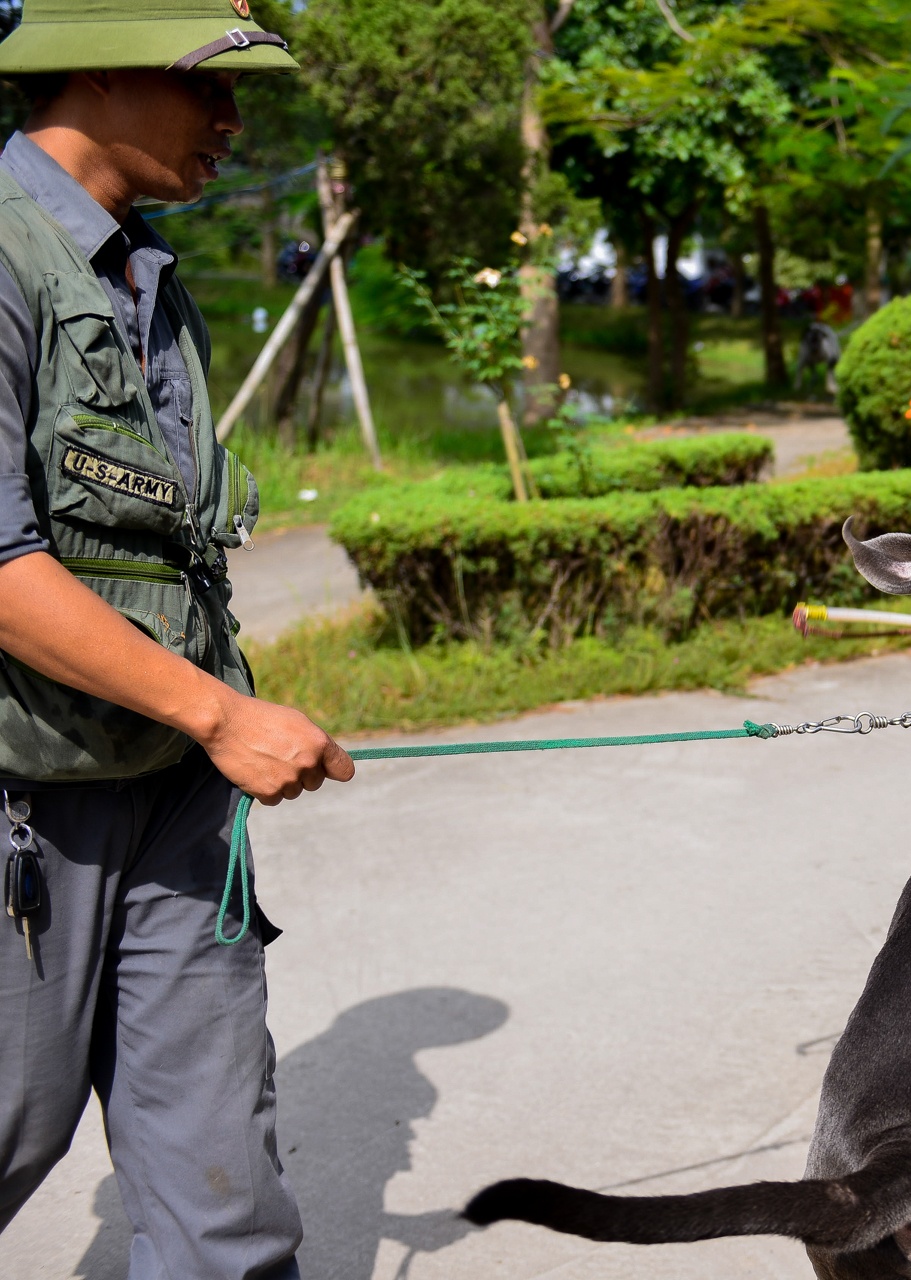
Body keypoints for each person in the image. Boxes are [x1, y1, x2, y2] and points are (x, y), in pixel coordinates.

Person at [0, 5, 353, 1275]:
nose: (231, 121)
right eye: (207, 84)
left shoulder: (142, 272)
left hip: (176, 803)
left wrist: (209, 720)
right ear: (94, 64)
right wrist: (221, 712)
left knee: (224, 1191)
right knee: (11, 1126)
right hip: (24, 803)